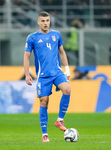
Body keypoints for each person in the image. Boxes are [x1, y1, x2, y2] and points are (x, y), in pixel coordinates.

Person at [23, 12, 71, 142]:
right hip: (43, 76)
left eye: (47, 20)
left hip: (57, 72)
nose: (45, 23)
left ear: (50, 21)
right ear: (38, 22)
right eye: (43, 21)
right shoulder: (32, 38)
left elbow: (62, 52)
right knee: (44, 101)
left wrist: (67, 69)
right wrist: (27, 74)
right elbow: (26, 56)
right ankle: (45, 134)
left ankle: (60, 120)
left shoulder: (56, 34)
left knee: (67, 89)